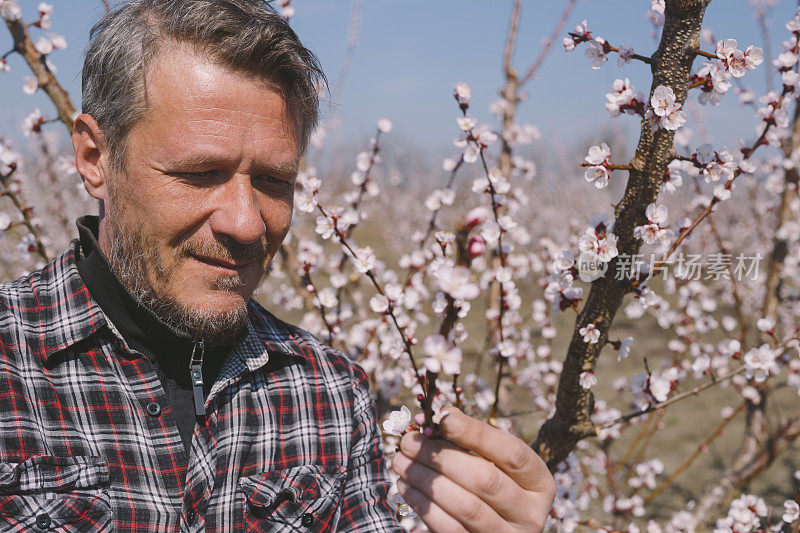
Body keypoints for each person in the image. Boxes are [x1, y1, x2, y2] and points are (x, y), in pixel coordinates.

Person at [0, 0, 555, 531]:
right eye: (199, 174)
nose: (246, 223)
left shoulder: (329, 396)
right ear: (95, 159)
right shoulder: (12, 368)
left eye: (273, 181)